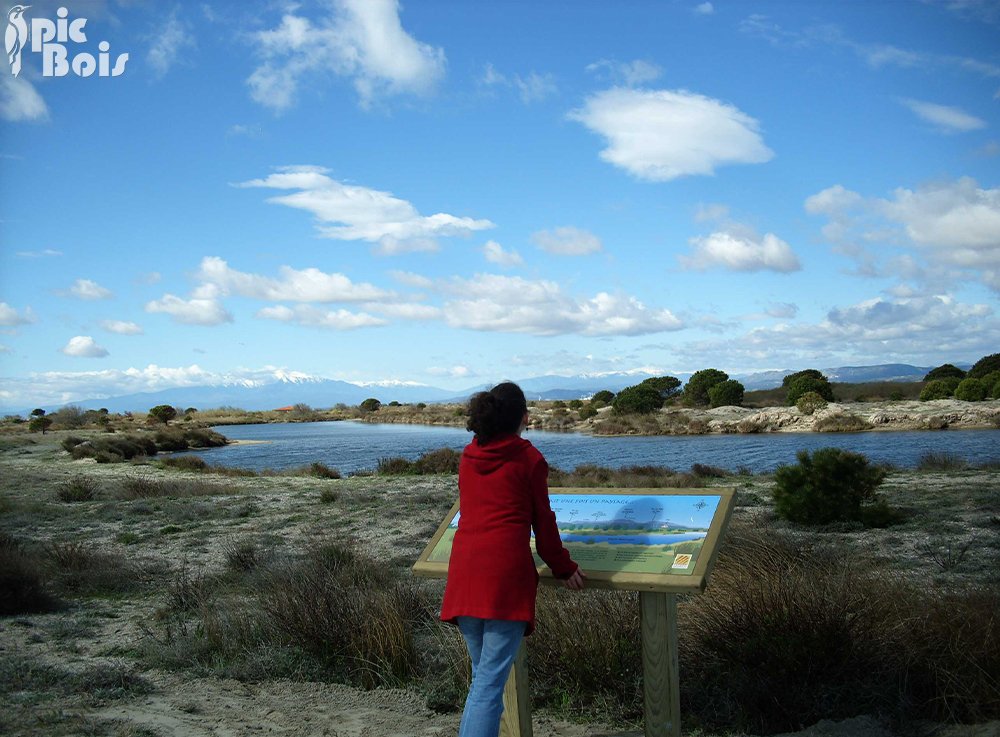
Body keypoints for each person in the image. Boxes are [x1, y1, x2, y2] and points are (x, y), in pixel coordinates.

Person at [440, 381, 586, 737]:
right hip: (503, 577)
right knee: (488, 686)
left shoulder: (468, 455)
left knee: (483, 681)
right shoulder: (528, 458)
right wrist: (563, 567)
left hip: (464, 572)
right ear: (523, 417)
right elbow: (544, 522)